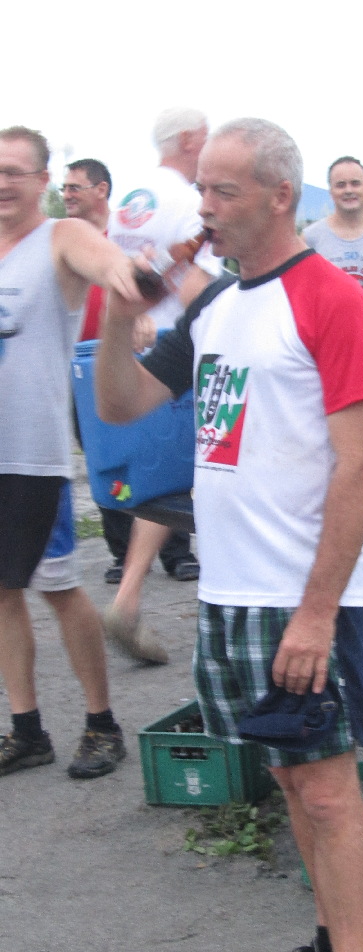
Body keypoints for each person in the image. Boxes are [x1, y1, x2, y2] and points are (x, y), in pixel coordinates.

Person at [97, 117, 363, 952]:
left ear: (278, 196)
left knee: (330, 789)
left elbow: (362, 467)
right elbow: (121, 404)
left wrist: (316, 613)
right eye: (203, 190)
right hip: (229, 590)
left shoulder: (332, 299)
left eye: (224, 191)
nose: (206, 208)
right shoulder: (216, 305)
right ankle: (328, 951)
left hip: (301, 596)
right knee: (293, 779)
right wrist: (120, 311)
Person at [0, 125, 139, 778]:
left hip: (33, 458)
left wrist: (127, 286)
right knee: (1, 594)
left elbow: (106, 260)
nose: (2, 182)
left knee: (57, 588)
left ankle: (101, 724)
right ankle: (27, 730)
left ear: (41, 181)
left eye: (14, 171)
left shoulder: (61, 237)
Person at [103, 107, 221, 664]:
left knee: (163, 479)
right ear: (191, 139)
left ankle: (128, 597)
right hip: (184, 348)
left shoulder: (132, 199)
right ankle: (219, 607)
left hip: (137, 346)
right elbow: (203, 282)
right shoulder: (185, 202)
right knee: (211, 472)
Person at [63, 158, 198, 595]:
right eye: (64, 188)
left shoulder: (121, 240)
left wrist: (135, 317)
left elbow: (149, 284)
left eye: (75, 187)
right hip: (83, 365)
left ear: (102, 190)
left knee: (159, 450)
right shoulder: (60, 242)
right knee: (106, 459)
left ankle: (176, 552)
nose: (67, 195)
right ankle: (122, 555)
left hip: (136, 357)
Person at [302, 155, 363, 297]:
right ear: (331, 192)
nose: (348, 190)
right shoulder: (310, 238)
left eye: (355, 183)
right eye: (341, 185)